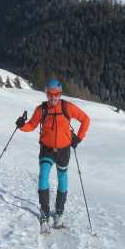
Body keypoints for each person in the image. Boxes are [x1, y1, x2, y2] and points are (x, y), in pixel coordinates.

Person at [16, 80, 90, 226]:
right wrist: (21, 126)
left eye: (56, 94)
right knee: (43, 176)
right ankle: (45, 210)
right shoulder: (41, 109)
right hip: (47, 149)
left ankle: (59, 211)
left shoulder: (68, 107)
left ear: (60, 94)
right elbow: (31, 125)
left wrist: (79, 138)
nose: (53, 97)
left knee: (62, 179)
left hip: (64, 149)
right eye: (50, 94)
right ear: (46, 94)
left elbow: (85, 119)